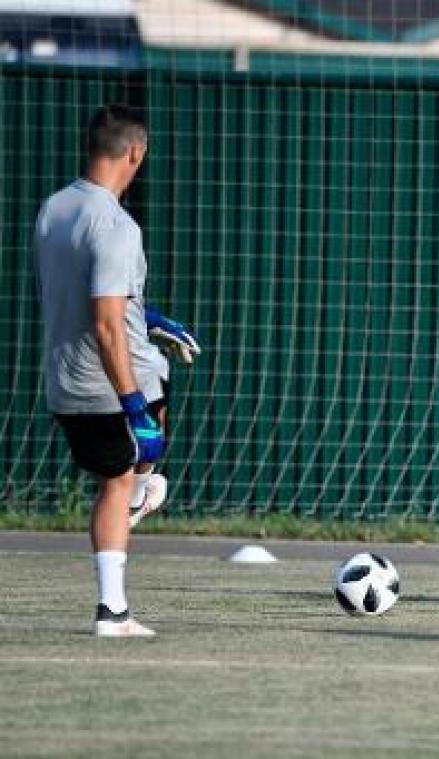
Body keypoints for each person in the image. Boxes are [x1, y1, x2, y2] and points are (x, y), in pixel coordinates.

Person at [34, 103, 200, 638]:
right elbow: (106, 326)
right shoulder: (116, 226)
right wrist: (132, 405)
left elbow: (88, 299)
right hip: (104, 385)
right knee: (119, 480)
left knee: (120, 469)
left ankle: (142, 487)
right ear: (136, 152)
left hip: (61, 381)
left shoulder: (54, 208)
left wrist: (148, 319)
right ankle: (113, 612)